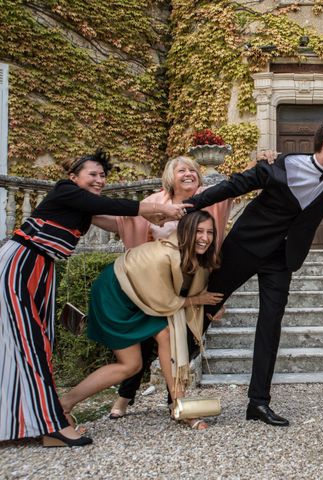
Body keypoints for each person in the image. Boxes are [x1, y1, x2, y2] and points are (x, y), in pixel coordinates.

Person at [0, 149, 187, 447]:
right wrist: (150, 209)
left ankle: (21, 421)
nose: (100, 180)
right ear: (73, 177)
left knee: (30, 343)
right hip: (22, 263)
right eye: (93, 174)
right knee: (29, 343)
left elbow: (116, 217)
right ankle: (52, 426)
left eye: (103, 176)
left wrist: (158, 215)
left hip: (41, 267)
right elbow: (111, 205)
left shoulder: (81, 207)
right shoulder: (65, 190)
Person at [186, 119, 323, 426]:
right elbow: (235, 185)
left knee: (271, 324)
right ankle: (175, 376)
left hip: (283, 259)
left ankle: (258, 402)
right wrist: (190, 204)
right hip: (245, 247)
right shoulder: (282, 165)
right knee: (207, 306)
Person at [92, 156, 231, 420]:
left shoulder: (209, 200)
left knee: (186, 342)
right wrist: (83, 207)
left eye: (193, 169)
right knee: (145, 341)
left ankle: (173, 401)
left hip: (191, 284)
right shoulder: (155, 204)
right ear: (170, 176)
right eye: (182, 170)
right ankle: (126, 397)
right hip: (155, 285)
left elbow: (233, 195)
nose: (188, 173)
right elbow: (125, 222)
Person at [59, 211, 223, 433]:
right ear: (185, 233)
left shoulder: (194, 257)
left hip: (141, 296)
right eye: (199, 232)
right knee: (130, 365)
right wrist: (198, 300)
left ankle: (179, 405)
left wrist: (209, 305)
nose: (205, 237)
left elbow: (192, 288)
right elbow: (166, 300)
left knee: (165, 334)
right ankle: (63, 406)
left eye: (210, 232)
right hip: (115, 295)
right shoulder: (165, 256)